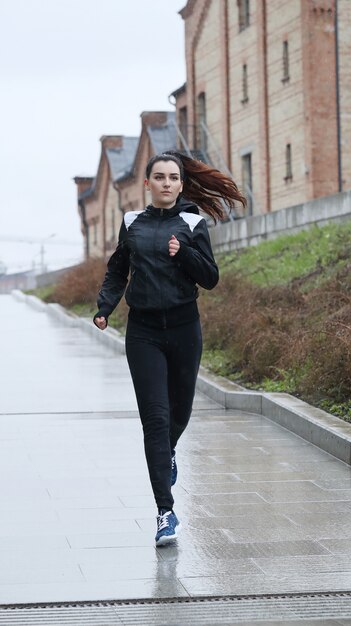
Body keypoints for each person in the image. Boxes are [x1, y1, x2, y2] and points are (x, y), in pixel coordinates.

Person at [93, 150, 246, 546]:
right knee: (155, 421)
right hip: (142, 332)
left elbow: (210, 277)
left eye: (172, 177)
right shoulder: (132, 223)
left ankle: (169, 451)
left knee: (180, 412)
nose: (165, 183)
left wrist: (186, 253)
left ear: (180, 184)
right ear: (147, 184)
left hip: (183, 329)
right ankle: (165, 511)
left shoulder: (193, 222)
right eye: (158, 177)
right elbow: (117, 269)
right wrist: (105, 307)